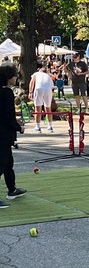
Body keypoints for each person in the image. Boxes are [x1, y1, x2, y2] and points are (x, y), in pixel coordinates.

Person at [0, 65, 26, 208]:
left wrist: (14, 121)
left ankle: (12, 189)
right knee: (2, 164)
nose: (16, 78)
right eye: (15, 76)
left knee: (8, 162)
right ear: (9, 77)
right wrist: (18, 127)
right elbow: (8, 117)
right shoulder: (7, 93)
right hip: (3, 134)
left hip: (3, 132)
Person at [29, 63, 55, 133]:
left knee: (38, 109)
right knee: (48, 108)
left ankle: (37, 127)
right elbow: (52, 87)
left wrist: (30, 92)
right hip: (48, 89)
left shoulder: (36, 74)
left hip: (39, 88)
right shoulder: (48, 76)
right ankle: (50, 127)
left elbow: (32, 82)